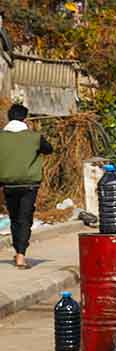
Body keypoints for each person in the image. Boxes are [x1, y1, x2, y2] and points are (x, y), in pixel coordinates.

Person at [0, 104, 53, 269]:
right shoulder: (34, 137)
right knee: (24, 219)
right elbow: (49, 150)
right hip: (29, 184)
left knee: (15, 218)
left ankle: (18, 252)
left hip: (8, 184)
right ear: (25, 119)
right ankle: (21, 255)